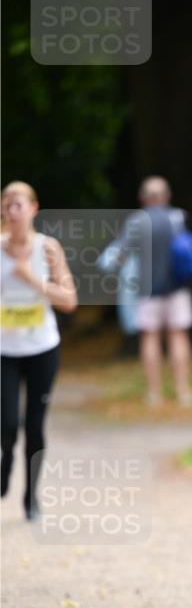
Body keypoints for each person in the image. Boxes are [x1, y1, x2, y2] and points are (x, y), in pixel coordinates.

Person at [1, 182, 77, 519]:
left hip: (42, 348)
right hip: (4, 350)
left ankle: (31, 497)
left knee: (34, 424)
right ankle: (6, 464)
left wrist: (32, 279)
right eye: (6, 204)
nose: (12, 210)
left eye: (18, 203)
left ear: (33, 208)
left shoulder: (48, 248)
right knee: (7, 423)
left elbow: (69, 300)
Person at [109, 176, 192, 406]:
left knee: (150, 337)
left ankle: (154, 393)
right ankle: (183, 392)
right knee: (179, 336)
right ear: (166, 196)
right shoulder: (178, 217)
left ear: (143, 198)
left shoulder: (137, 221)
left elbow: (120, 254)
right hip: (178, 287)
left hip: (147, 291)